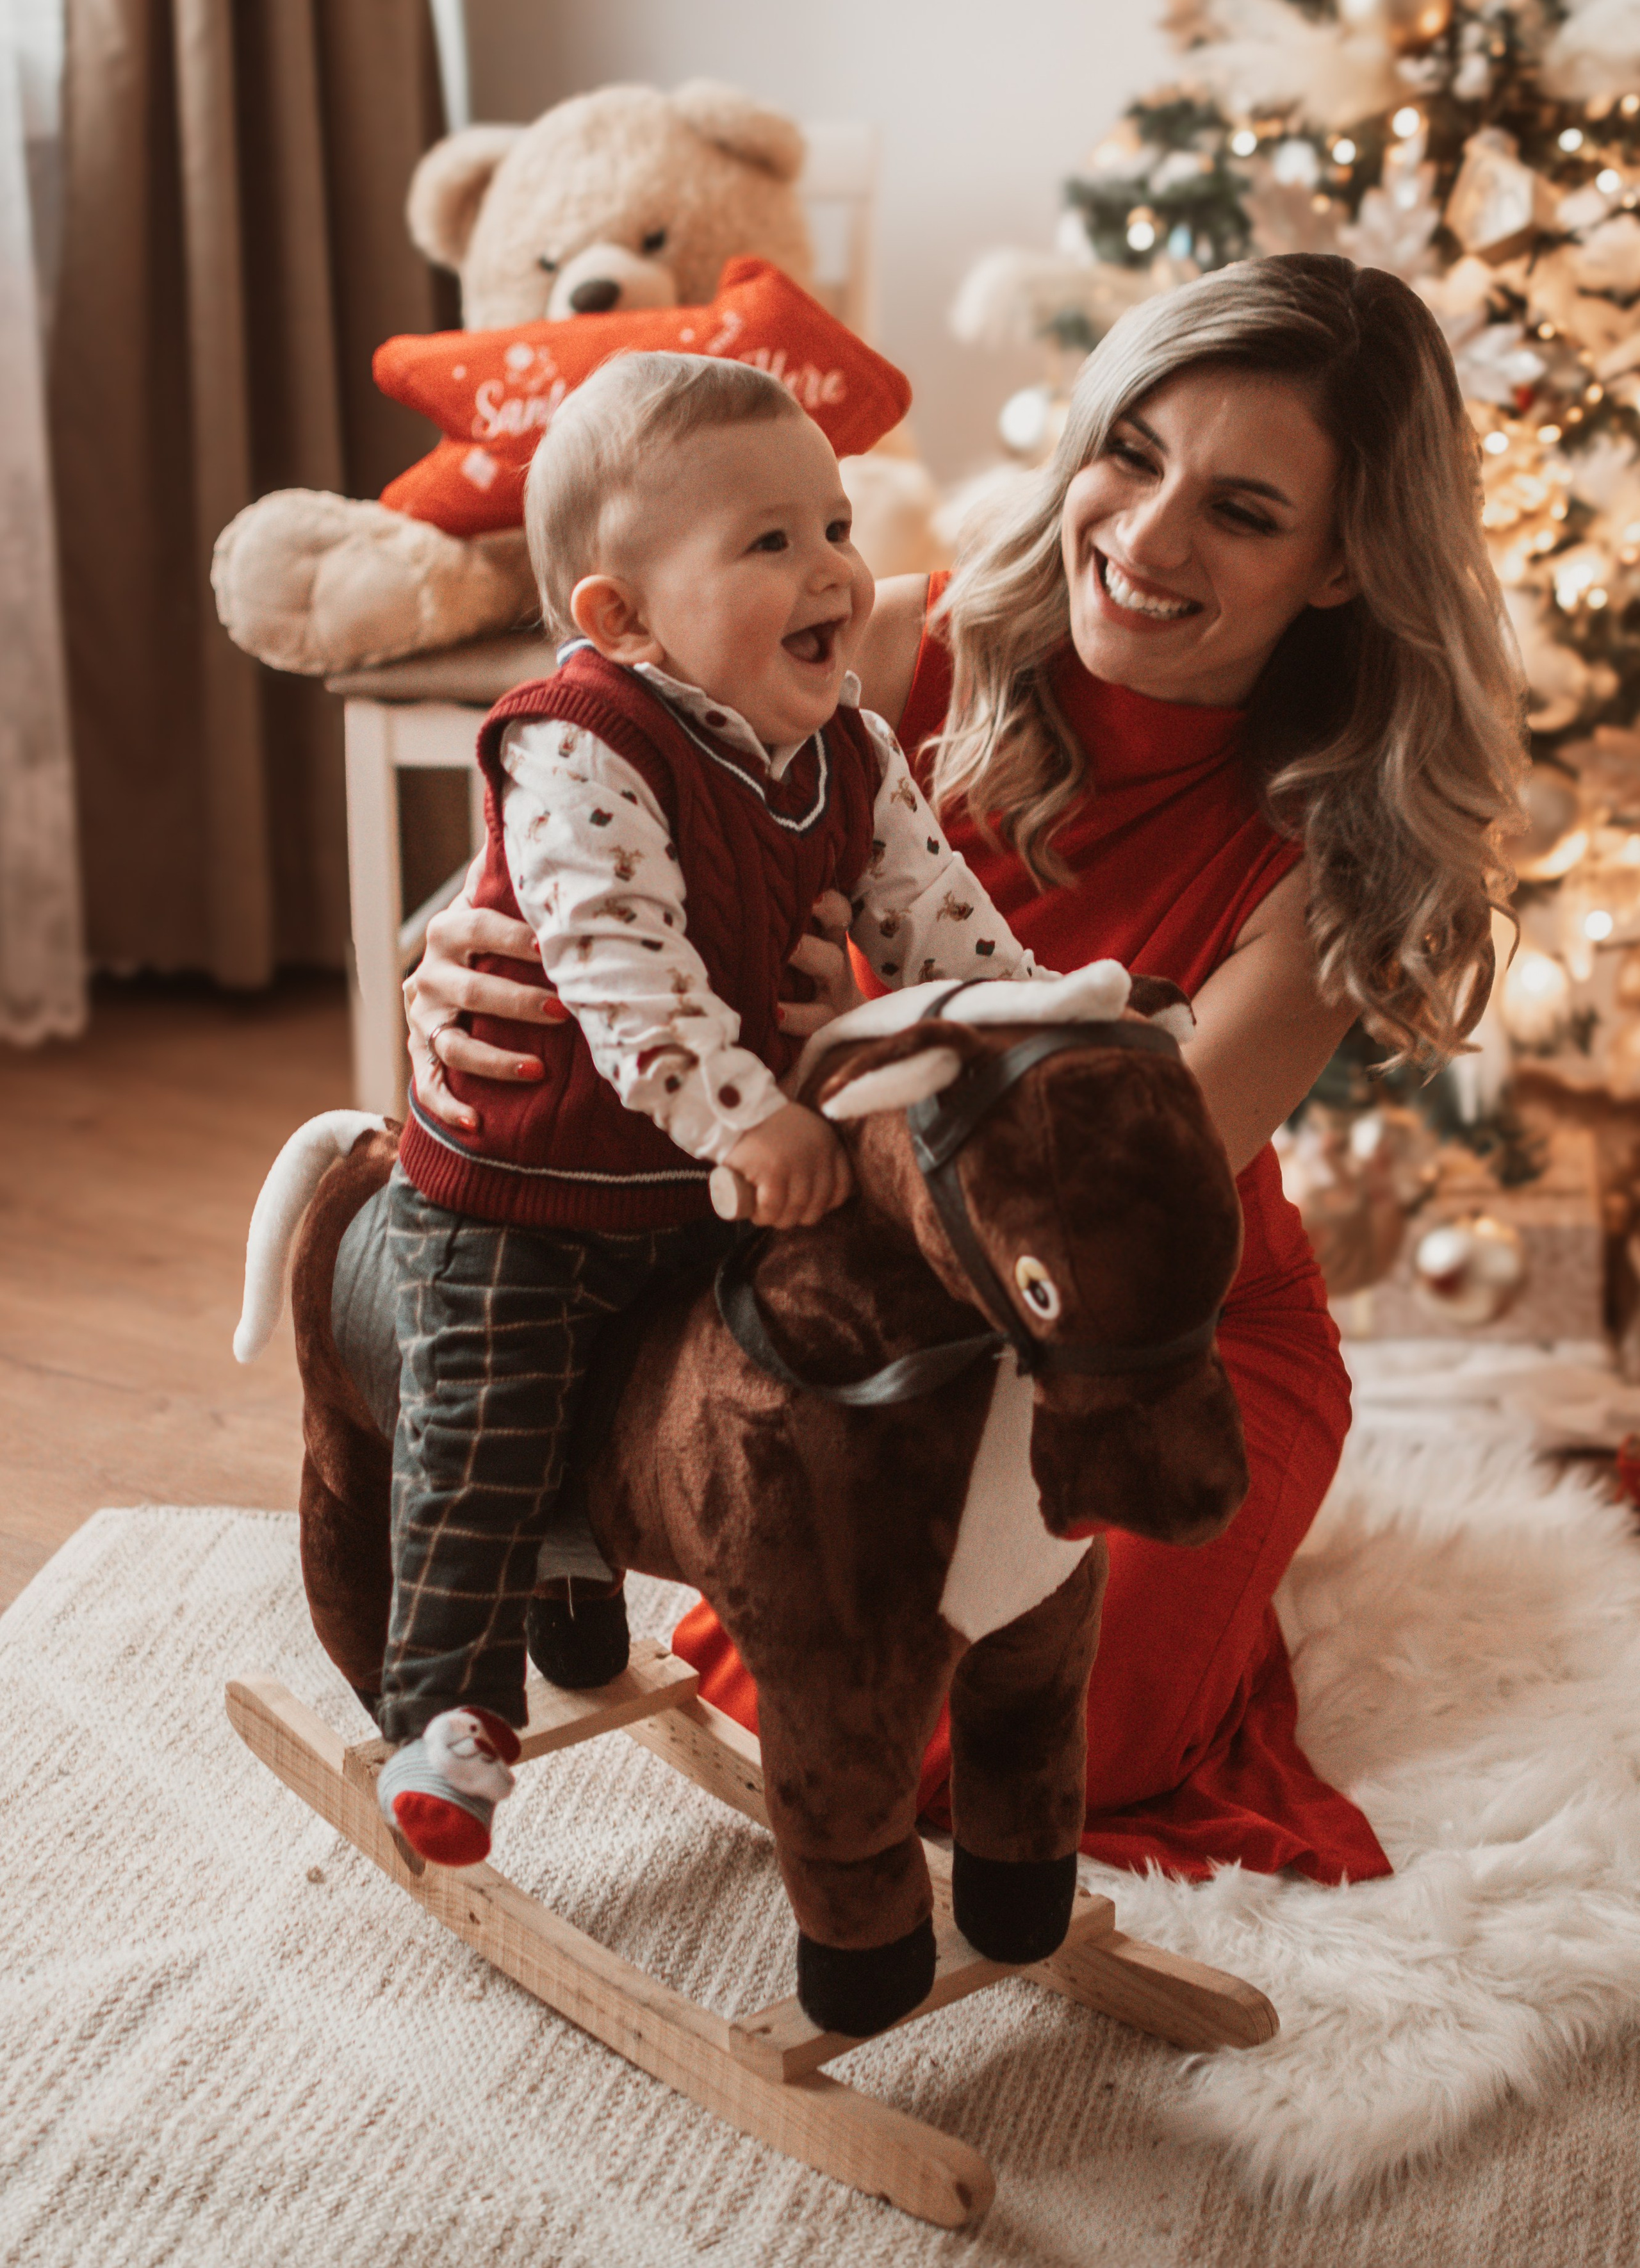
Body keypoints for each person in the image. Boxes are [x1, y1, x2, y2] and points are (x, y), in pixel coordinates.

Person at [402, 254, 1525, 1884]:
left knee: (1028, 1731)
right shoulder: (883, 648)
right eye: (1129, 455)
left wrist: (824, 1043)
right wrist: (460, 967)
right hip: (841, 1264)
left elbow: (1104, 1192)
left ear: (1343, 562)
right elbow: (582, 854)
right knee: (829, 1656)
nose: (1146, 540)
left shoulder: (1333, 859)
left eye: (1240, 512)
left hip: (1148, 1316)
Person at [376, 350, 1049, 1870]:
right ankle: (448, 1716)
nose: (834, 570)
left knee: (787, 1381)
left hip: (707, 1182)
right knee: (484, 1426)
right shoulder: (579, 743)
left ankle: (741, 1611)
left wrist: (1041, 1022)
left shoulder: (847, 749)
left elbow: (941, 919)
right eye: (770, 542)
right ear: (622, 617)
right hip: (532, 1188)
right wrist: (747, 1114)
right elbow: (622, 964)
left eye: (834, 526)